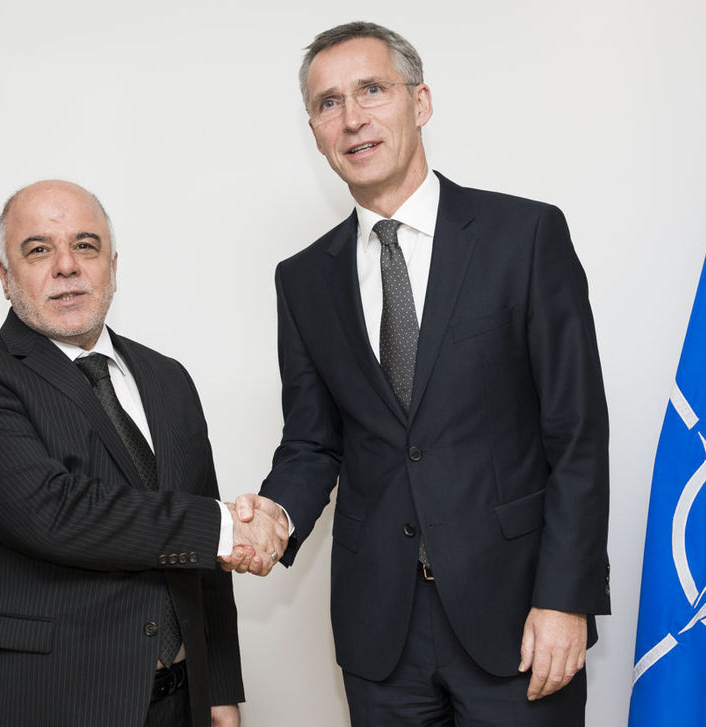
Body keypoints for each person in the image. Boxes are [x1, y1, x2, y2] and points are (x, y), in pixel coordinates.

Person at [232, 21, 611, 725]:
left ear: (420, 102)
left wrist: (565, 596)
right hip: (381, 636)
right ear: (313, 130)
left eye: (371, 90)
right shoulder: (303, 279)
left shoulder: (524, 238)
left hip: (519, 617)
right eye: (327, 103)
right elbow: (315, 441)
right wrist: (276, 516)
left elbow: (577, 431)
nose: (352, 118)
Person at [0, 180, 286, 727]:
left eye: (85, 246)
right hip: (40, 703)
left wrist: (220, 688)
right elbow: (56, 513)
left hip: (178, 702)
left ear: (112, 265)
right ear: (4, 276)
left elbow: (201, 556)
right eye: (39, 249)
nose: (67, 266)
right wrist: (229, 527)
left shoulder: (167, 378)